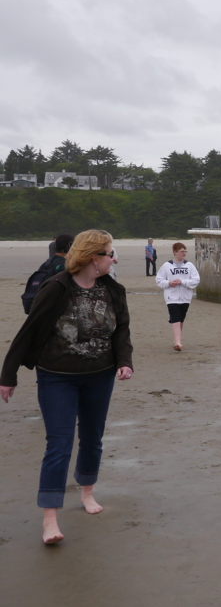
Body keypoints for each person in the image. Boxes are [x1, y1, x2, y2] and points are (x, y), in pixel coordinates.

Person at [1, 229, 134, 545]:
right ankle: (50, 520)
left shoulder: (112, 289)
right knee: (59, 444)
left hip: (99, 376)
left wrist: (124, 361)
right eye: (109, 253)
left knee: (92, 437)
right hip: (56, 376)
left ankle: (87, 492)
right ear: (93, 258)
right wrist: (8, 375)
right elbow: (29, 330)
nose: (113, 258)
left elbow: (122, 330)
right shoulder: (57, 287)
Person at [156, 242, 201, 351]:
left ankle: (177, 340)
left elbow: (196, 280)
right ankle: (178, 343)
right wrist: (168, 283)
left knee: (181, 319)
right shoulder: (167, 266)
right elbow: (159, 280)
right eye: (181, 251)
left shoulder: (189, 266)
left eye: (185, 251)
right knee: (175, 317)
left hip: (185, 297)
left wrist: (182, 282)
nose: (184, 253)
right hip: (171, 297)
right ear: (175, 252)